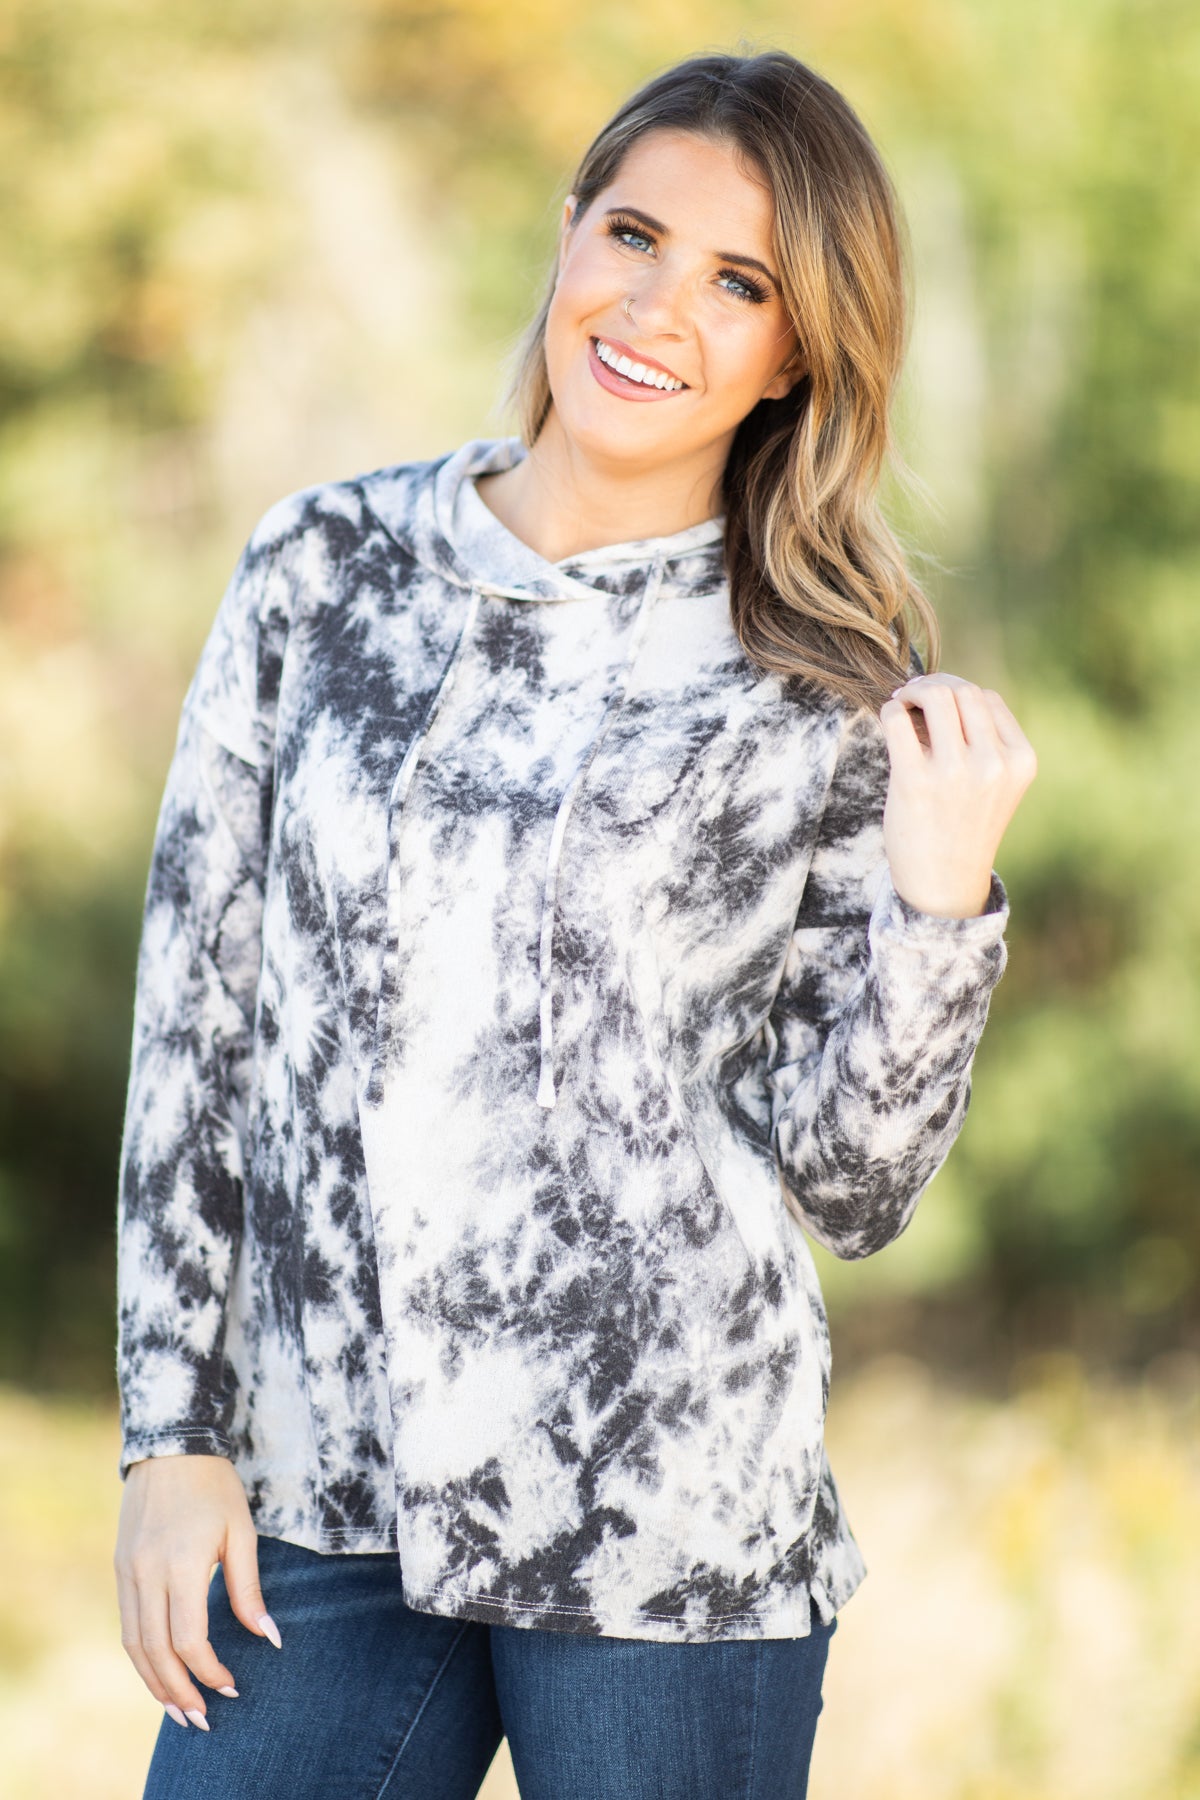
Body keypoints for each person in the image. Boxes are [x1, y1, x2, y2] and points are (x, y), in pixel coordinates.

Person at [112, 44, 1037, 1800]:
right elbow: (195, 1025)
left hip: (663, 1520)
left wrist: (940, 901)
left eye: (740, 283)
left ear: (795, 355)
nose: (658, 307)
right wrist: (171, 1436)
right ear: (566, 234)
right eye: (634, 235)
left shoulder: (821, 685)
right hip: (324, 1494)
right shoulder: (323, 571)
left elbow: (855, 1191)